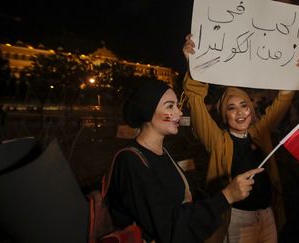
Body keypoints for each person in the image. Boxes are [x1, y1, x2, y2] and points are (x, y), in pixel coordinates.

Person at [106, 78, 264, 243]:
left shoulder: (162, 152)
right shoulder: (130, 162)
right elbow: (169, 227)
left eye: (177, 105)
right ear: (148, 111)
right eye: (170, 106)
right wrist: (226, 196)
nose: (179, 112)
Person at [182, 34, 299, 243]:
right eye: (231, 108)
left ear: (251, 109)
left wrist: (292, 71)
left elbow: (283, 99)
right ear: (224, 115)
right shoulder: (217, 140)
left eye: (244, 105)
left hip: (268, 215)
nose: (239, 113)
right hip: (237, 220)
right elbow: (195, 100)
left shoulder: (260, 132)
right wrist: (193, 62)